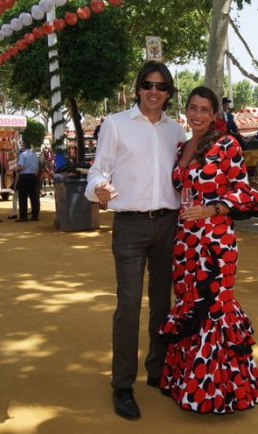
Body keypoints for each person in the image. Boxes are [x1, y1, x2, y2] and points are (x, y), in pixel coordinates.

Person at [85, 60, 185, 420]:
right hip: (129, 225)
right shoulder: (115, 125)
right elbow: (99, 168)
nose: (153, 91)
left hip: (168, 225)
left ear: (169, 92)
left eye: (160, 86)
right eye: (147, 84)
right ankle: (122, 385)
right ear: (139, 87)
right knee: (128, 306)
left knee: (162, 303)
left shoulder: (177, 131)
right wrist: (98, 188)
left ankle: (157, 370)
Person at [158, 86, 258, 414]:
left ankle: (219, 392)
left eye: (205, 109)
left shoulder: (227, 144)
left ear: (215, 113)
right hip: (185, 240)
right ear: (186, 109)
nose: (198, 115)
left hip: (216, 242)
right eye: (193, 108)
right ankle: (186, 382)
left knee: (215, 307)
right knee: (189, 304)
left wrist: (214, 208)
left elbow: (247, 193)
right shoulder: (181, 147)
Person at [16, 140, 40, 222]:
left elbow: (21, 167)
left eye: (22, 145)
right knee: (34, 197)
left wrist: (17, 169)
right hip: (33, 176)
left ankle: (23, 216)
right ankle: (35, 215)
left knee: (23, 197)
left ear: (24, 146)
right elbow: (37, 168)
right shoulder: (35, 155)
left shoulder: (23, 155)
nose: (21, 146)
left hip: (25, 176)